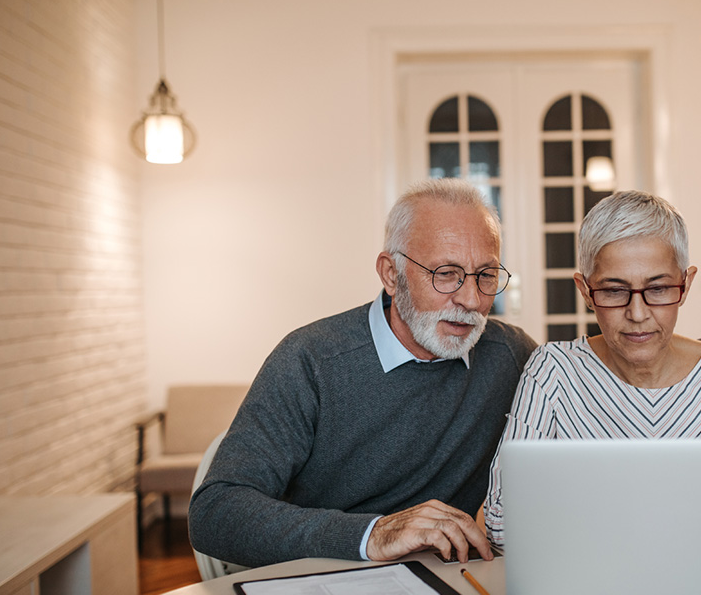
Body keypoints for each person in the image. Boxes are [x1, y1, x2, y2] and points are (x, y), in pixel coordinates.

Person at [191, 179, 536, 568]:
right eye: (446, 273)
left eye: (486, 276)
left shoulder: (511, 354)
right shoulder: (312, 361)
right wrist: (373, 534)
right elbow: (215, 512)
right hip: (330, 585)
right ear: (391, 274)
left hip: (461, 583)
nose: (471, 300)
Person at [482, 190, 701, 548]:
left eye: (657, 289)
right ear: (585, 289)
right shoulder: (553, 371)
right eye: (613, 291)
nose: (638, 314)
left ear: (685, 284)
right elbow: (500, 522)